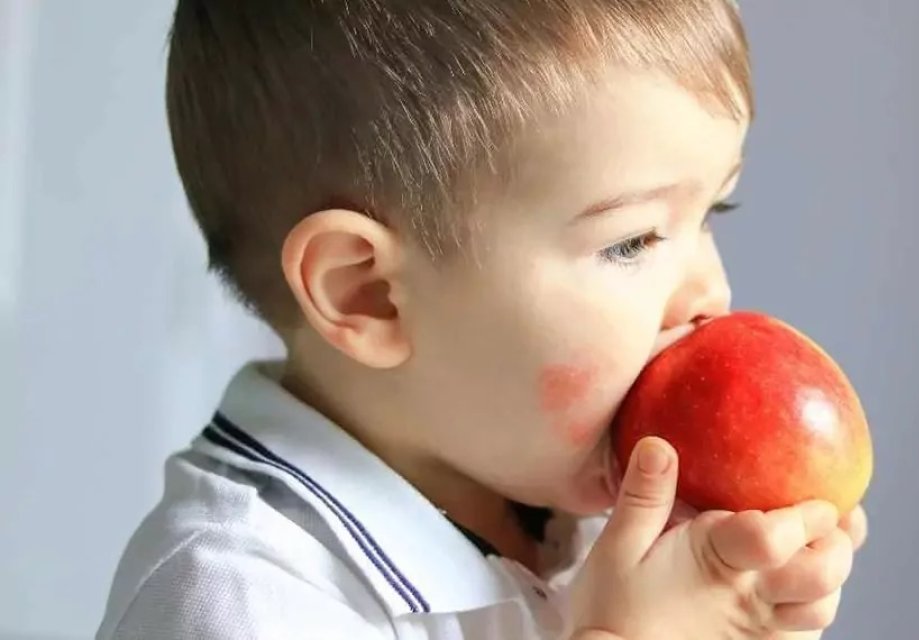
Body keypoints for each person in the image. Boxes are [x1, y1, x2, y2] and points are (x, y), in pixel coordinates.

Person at [97, 1, 868, 638]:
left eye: (712, 211)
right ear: (370, 294)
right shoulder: (233, 601)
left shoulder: (583, 511)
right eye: (632, 240)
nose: (713, 292)